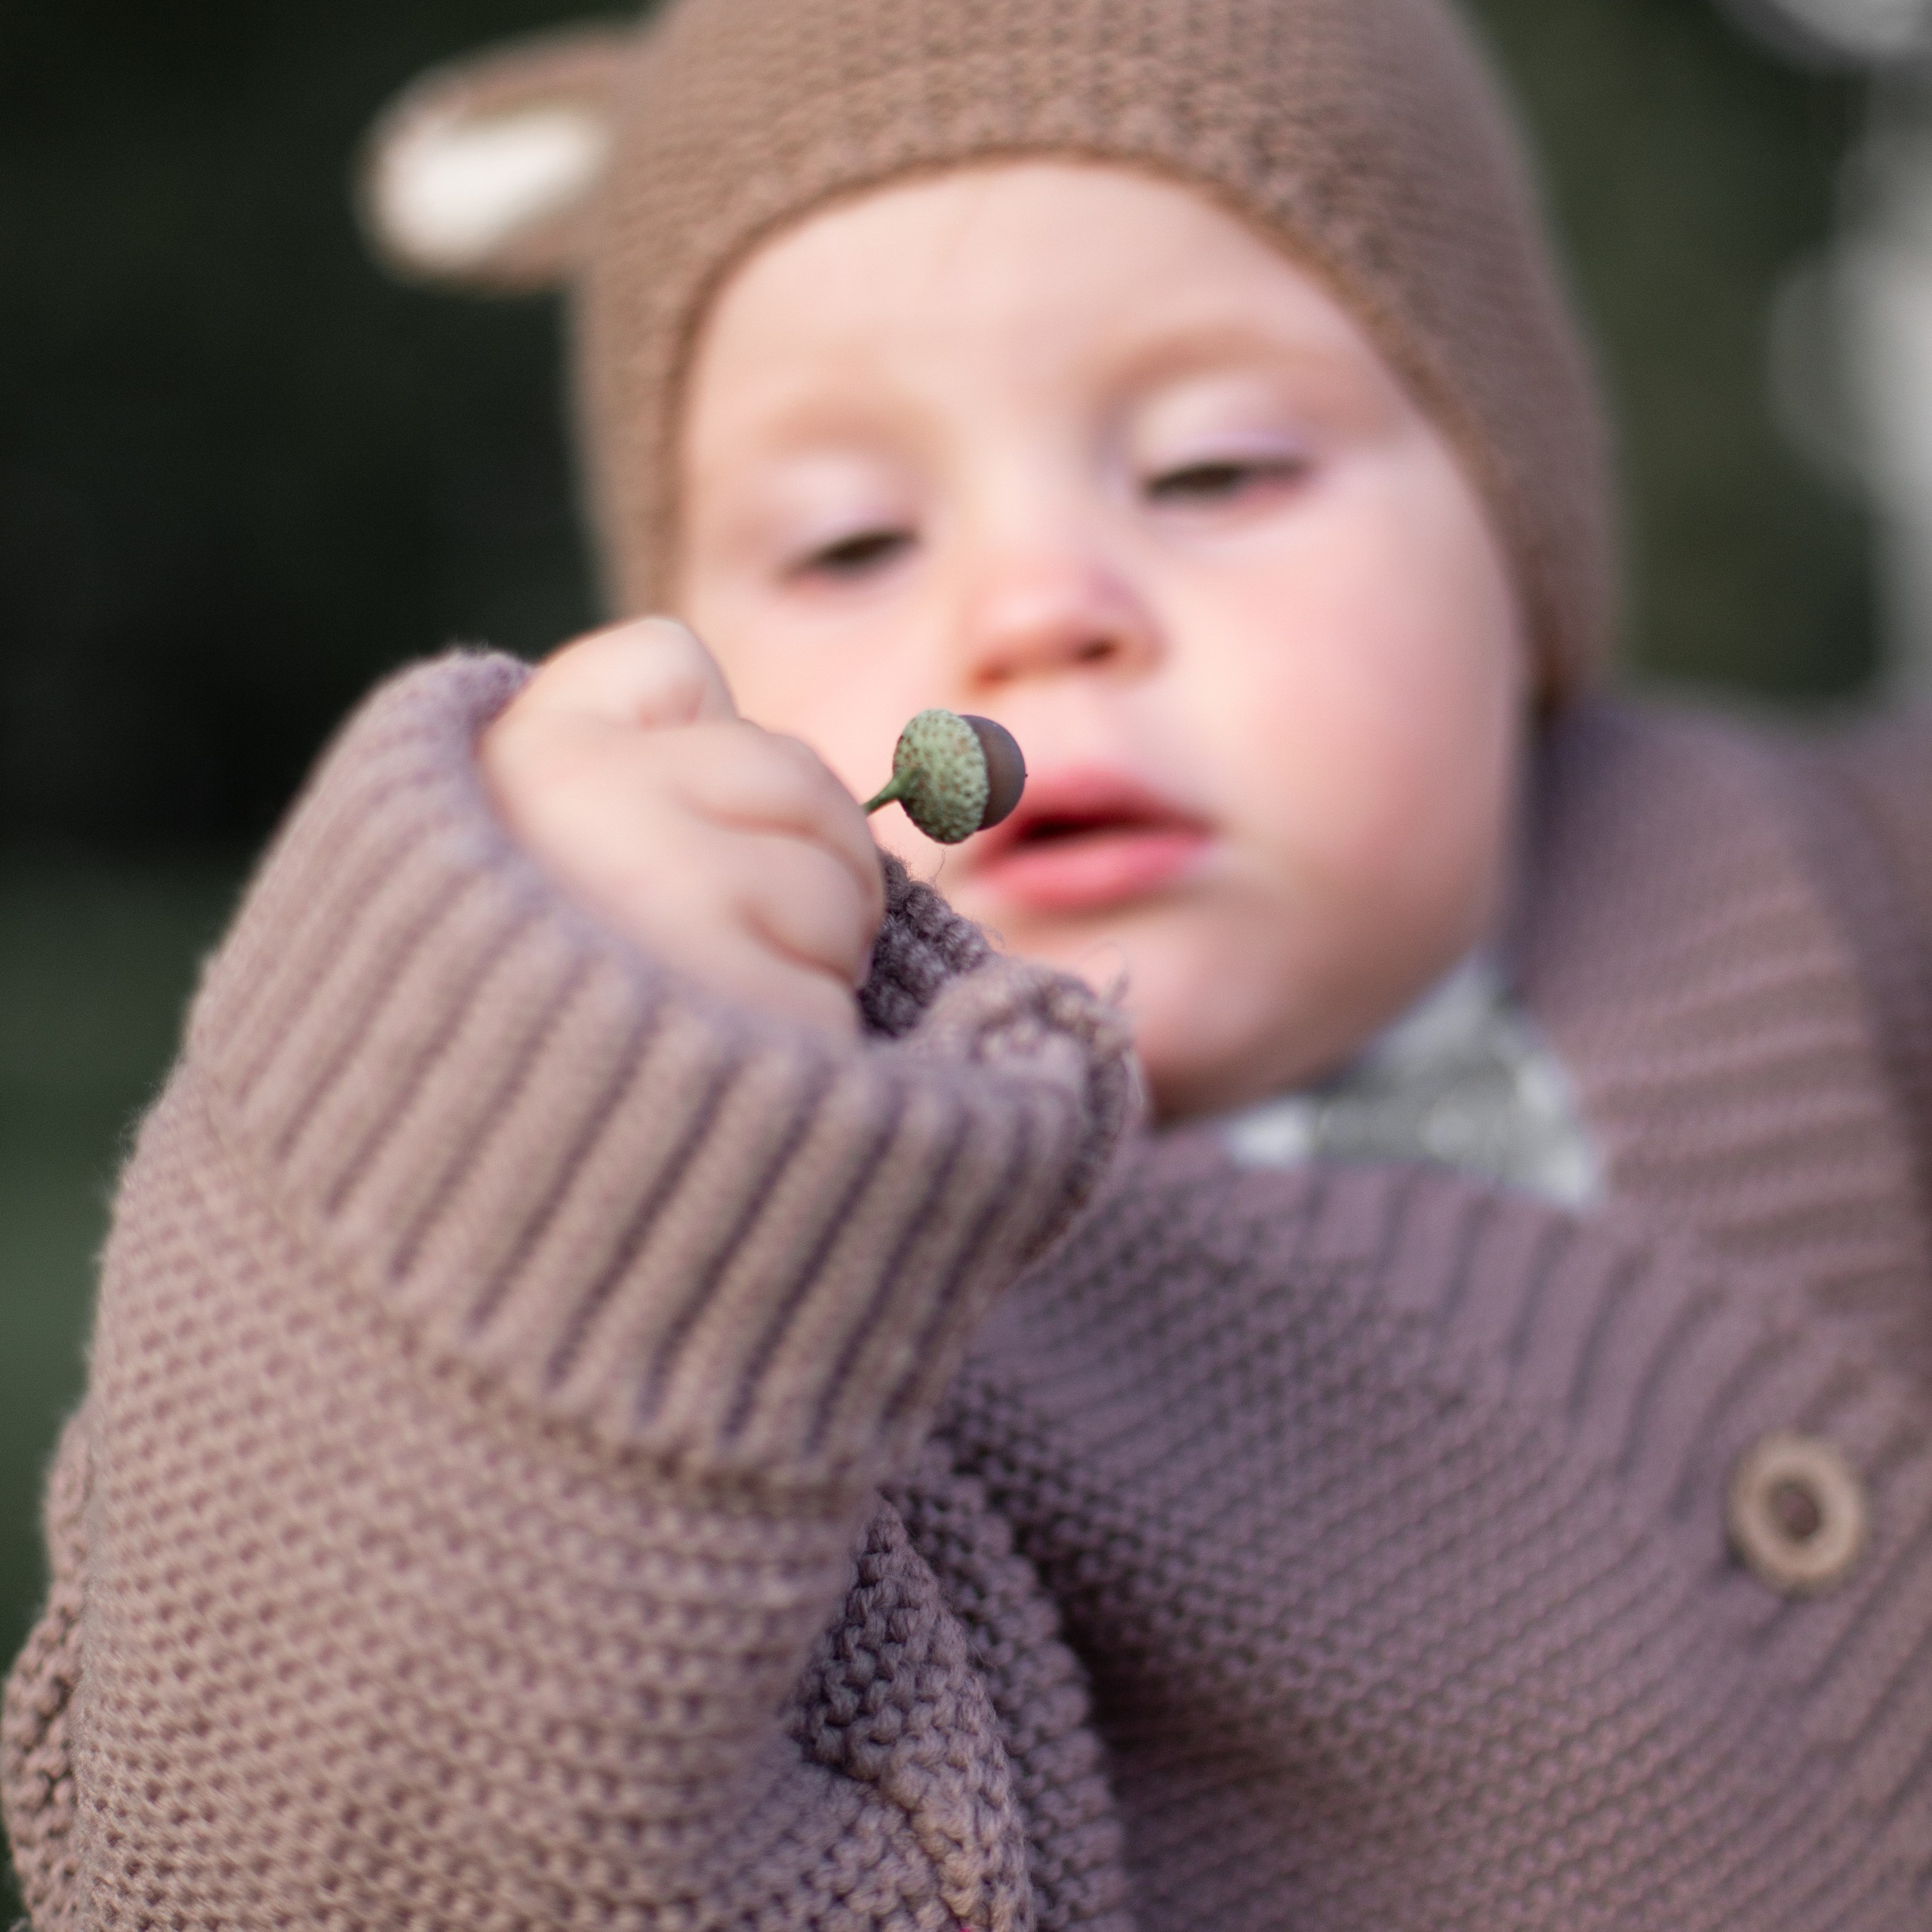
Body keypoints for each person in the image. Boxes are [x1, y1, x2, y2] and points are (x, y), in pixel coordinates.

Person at [8, 0, 1932, 1924]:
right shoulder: (785, 1327)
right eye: (849, 544)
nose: (1032, 610)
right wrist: (535, 1171)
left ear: (1515, 561)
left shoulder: (1846, 894)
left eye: (1211, 473)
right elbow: (294, 1864)